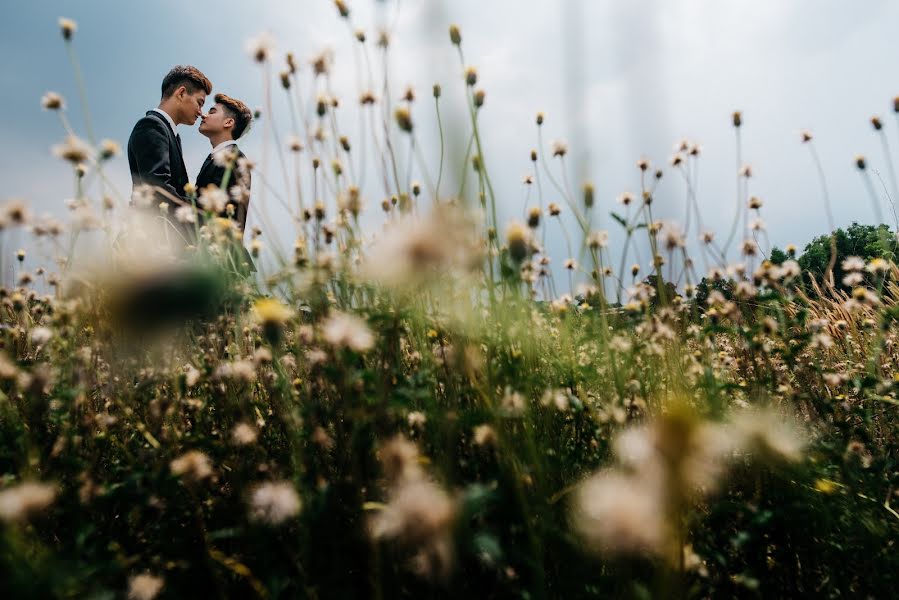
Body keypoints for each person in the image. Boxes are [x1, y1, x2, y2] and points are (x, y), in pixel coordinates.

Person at [127, 65, 212, 221]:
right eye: (199, 103)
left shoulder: (169, 133)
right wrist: (201, 218)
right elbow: (158, 188)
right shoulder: (151, 126)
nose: (201, 111)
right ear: (181, 93)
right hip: (152, 236)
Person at [196, 93, 253, 233]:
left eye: (212, 112)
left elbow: (227, 215)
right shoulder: (214, 158)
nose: (204, 115)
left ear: (228, 122)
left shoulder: (236, 160)